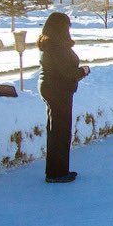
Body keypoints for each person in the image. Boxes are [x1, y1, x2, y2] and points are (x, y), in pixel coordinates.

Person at [38, 12, 90, 183]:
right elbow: (66, 72)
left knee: (56, 130)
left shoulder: (51, 44)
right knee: (60, 131)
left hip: (53, 88)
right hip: (57, 89)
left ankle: (57, 169)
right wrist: (82, 71)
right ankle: (57, 173)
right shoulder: (56, 46)